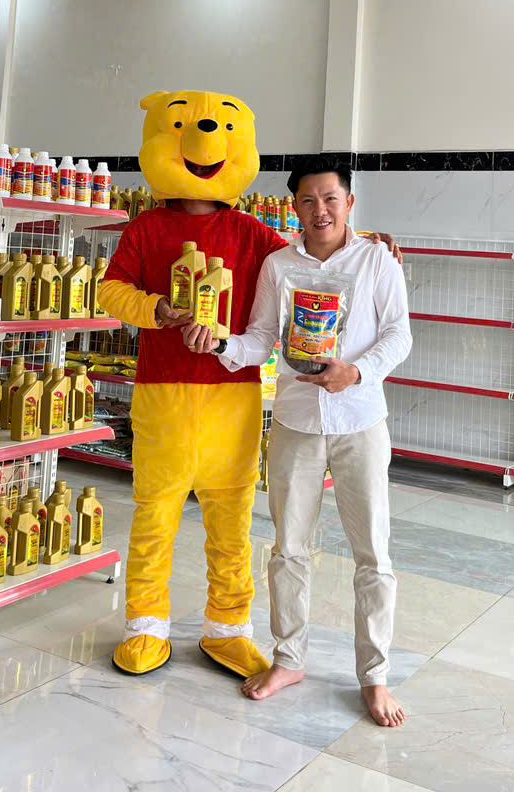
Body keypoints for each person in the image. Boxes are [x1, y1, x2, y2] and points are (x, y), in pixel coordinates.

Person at [183, 153, 412, 727]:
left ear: (349, 203)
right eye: (308, 200)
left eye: (331, 198)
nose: (320, 210)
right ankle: (288, 659)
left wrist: (355, 373)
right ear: (295, 208)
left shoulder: (377, 260)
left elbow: (398, 335)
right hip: (295, 422)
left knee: (374, 553)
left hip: (360, 420)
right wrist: (220, 344)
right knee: (288, 549)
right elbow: (261, 337)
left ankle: (375, 676)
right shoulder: (279, 265)